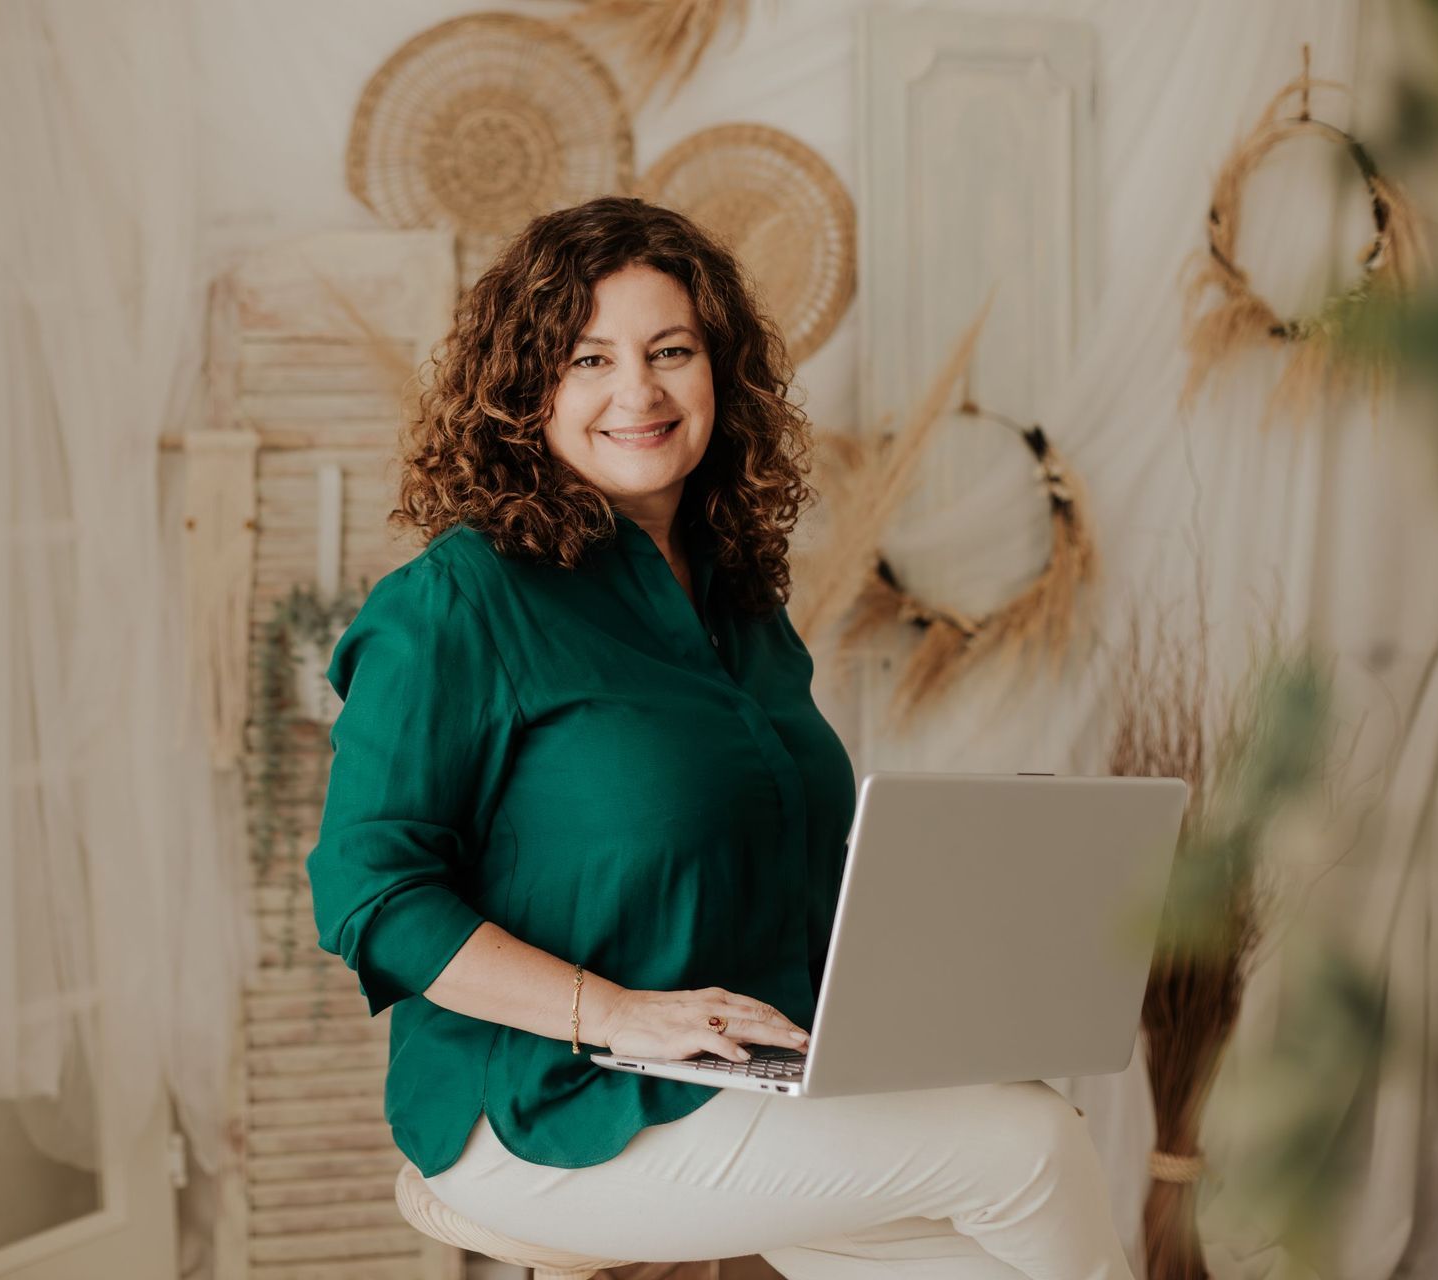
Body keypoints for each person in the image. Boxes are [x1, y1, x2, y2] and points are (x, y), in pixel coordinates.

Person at [303, 196, 1135, 1279]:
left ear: (719, 374)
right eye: (588, 359)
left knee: (1009, 1175)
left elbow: (786, 860)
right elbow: (370, 893)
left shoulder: (738, 601)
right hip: (546, 1101)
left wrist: (948, 978)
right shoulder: (453, 604)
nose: (637, 390)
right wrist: (615, 1011)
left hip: (749, 1068)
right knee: (1026, 1150)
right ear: (525, 391)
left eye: (670, 350)